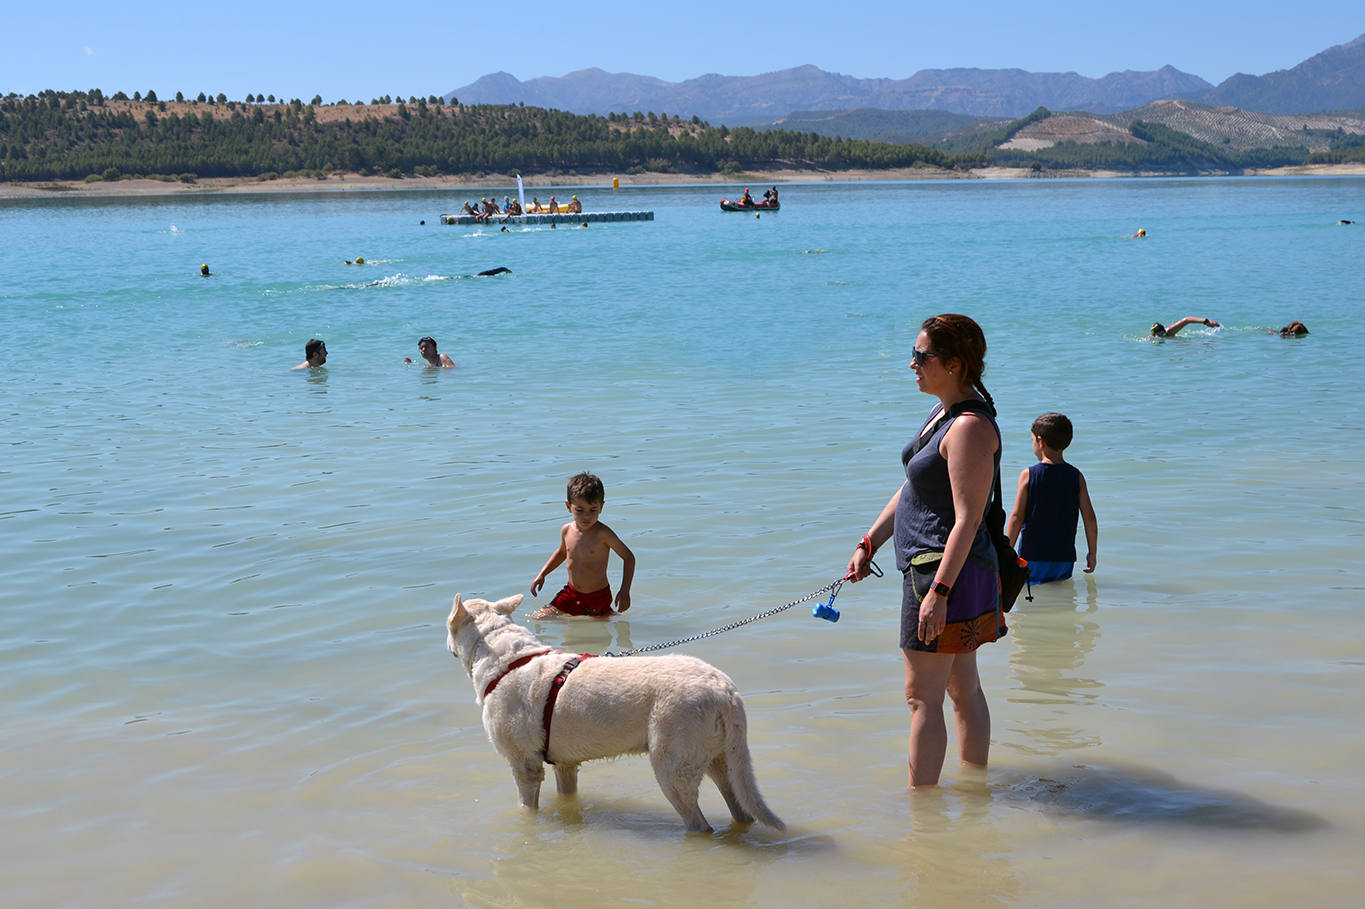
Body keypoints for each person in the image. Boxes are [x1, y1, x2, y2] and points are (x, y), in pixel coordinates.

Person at [844, 313, 1007, 789]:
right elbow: (914, 485)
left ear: (954, 364)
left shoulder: (971, 427)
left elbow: (967, 518)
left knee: (922, 698)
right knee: (960, 688)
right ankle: (974, 790)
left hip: (941, 572)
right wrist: (869, 541)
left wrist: (938, 591)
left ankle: (924, 813)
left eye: (921, 356)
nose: (912, 363)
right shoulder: (947, 412)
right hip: (946, 571)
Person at [1005, 413, 1098, 584]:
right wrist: (1092, 553)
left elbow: (1016, 517)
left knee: (1030, 598)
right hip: (1064, 558)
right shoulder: (1076, 476)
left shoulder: (1028, 475)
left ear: (1040, 442)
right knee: (1062, 596)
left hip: (1032, 557)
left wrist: (1006, 552)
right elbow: (1090, 518)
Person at [530, 472, 635, 619]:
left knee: (598, 636)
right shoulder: (566, 530)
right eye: (579, 510)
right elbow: (562, 553)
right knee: (539, 618)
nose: (586, 516)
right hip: (571, 594)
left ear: (601, 507)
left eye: (593, 510)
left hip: (598, 597)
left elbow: (629, 557)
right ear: (568, 506)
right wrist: (542, 574)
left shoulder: (603, 534)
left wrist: (625, 591)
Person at [1150, 316, 1219, 337]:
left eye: (1163, 334)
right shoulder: (1153, 337)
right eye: (1159, 335)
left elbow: (1187, 320)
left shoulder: (1170, 331)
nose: (1162, 336)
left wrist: (1206, 321)